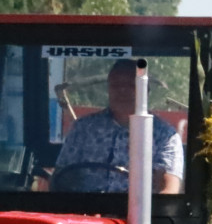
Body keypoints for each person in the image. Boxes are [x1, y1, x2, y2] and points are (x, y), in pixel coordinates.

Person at [54, 59, 184, 193]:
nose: (122, 90)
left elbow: (168, 190)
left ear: (146, 90)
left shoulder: (165, 136)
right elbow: (61, 178)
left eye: (131, 85)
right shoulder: (82, 129)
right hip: (83, 210)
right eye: (116, 85)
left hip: (138, 212)